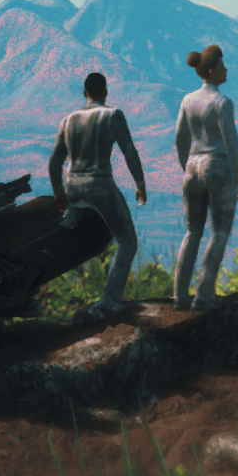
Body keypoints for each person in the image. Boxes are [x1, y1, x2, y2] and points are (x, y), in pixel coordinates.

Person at [50, 71, 147, 327]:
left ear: (85, 93)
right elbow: (129, 151)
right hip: (99, 185)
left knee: (67, 231)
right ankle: (111, 299)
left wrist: (59, 192)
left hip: (72, 186)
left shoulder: (68, 119)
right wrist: (139, 183)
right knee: (127, 241)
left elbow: (54, 161)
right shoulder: (112, 115)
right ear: (105, 92)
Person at [173, 44, 238, 311]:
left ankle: (180, 295)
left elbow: (180, 137)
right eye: (223, 66)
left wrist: (186, 165)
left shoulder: (187, 100)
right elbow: (231, 141)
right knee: (220, 232)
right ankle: (203, 293)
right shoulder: (222, 103)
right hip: (218, 166)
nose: (226, 70)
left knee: (192, 232)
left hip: (193, 166)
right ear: (213, 70)